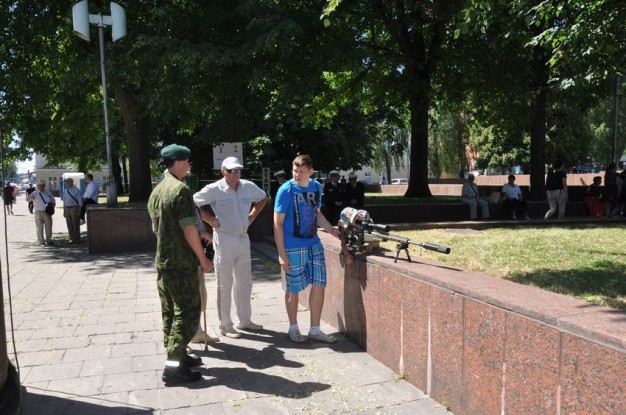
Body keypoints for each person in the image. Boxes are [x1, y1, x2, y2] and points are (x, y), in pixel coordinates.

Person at [148, 143, 213, 385]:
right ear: (178, 162)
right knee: (187, 312)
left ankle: (178, 357)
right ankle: (173, 368)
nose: (189, 165)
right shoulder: (181, 190)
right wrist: (203, 259)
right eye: (187, 161)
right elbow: (188, 229)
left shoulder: (157, 191)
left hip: (164, 261)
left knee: (170, 312)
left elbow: (163, 228)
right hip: (181, 263)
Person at [193, 156, 268, 339]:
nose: (236, 174)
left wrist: (252, 216)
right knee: (224, 283)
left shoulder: (248, 186)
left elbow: (263, 198)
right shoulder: (215, 189)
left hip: (243, 238)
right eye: (231, 171)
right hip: (224, 239)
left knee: (245, 281)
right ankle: (225, 324)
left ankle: (244, 320)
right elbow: (192, 203)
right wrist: (210, 220)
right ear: (223, 171)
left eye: (238, 170)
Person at [274, 154, 341, 344]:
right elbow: (277, 223)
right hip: (292, 246)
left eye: (301, 171)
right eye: (295, 170)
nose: (297, 174)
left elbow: (316, 214)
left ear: (311, 172)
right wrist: (282, 254)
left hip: (314, 243)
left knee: (319, 284)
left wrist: (331, 230)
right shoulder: (286, 190)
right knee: (293, 288)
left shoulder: (316, 187)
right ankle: (293, 328)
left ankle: (315, 329)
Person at [27, 180, 55, 246]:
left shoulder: (48, 193)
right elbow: (27, 200)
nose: (40, 187)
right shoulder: (35, 193)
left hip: (47, 212)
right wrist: (30, 198)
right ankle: (41, 241)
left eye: (42, 185)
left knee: (48, 227)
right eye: (39, 185)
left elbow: (53, 201)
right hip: (38, 212)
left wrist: (51, 205)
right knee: (39, 228)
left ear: (44, 186)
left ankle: (49, 240)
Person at [62, 178, 83, 244]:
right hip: (67, 208)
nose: (67, 183)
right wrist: (64, 211)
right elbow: (64, 201)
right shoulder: (65, 191)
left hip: (74, 208)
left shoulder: (76, 190)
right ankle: (71, 238)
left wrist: (79, 210)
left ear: (71, 182)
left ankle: (77, 238)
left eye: (68, 182)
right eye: (66, 182)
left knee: (75, 223)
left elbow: (80, 201)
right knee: (69, 224)